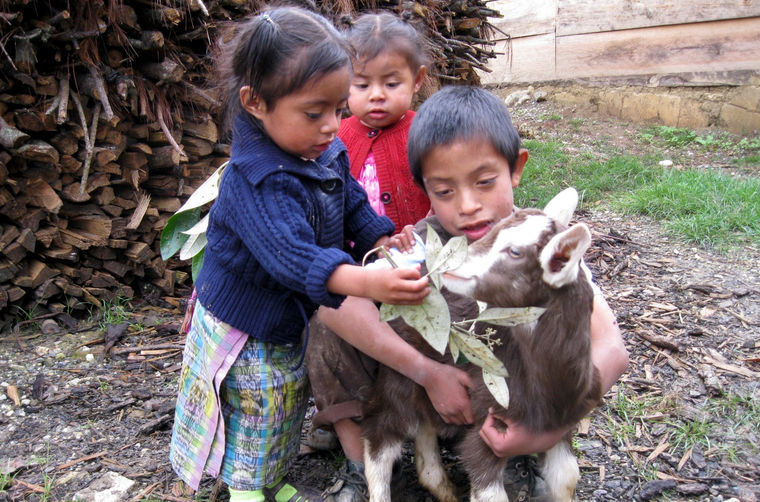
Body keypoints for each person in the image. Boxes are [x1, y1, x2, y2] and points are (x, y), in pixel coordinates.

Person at [306, 85, 629, 502]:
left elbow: (612, 350)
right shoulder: (420, 247)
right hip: (427, 388)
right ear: (424, 188)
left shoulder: (537, 248)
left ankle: (521, 454)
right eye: (444, 191)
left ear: (516, 169)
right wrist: (428, 373)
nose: (468, 205)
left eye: (484, 181)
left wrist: (544, 430)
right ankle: (363, 463)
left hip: (507, 410)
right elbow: (334, 308)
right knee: (326, 325)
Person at [168, 8, 431, 502]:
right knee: (255, 404)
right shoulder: (257, 180)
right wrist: (367, 281)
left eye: (338, 107)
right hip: (243, 323)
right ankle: (246, 490)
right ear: (255, 103)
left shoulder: (320, 148)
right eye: (316, 113)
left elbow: (350, 197)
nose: (334, 125)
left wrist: (378, 239)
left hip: (287, 313)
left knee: (289, 398)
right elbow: (292, 256)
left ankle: (269, 478)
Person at [338, 12, 431, 232]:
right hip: (352, 260)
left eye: (391, 84)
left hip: (417, 253)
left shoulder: (427, 133)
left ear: (417, 80)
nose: (377, 95)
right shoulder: (334, 138)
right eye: (362, 85)